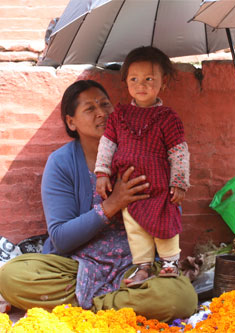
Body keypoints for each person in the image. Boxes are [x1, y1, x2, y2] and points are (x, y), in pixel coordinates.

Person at [0, 79, 197, 322]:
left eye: (105, 105)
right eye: (90, 109)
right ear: (71, 122)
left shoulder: (144, 155)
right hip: (77, 268)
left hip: (135, 269)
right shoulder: (61, 163)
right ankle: (114, 305)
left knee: (181, 298)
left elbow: (168, 213)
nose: (102, 113)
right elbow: (60, 238)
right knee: (11, 276)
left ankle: (89, 305)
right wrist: (113, 204)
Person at [95, 46, 190, 287]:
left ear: (163, 82)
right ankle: (143, 267)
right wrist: (102, 173)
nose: (141, 85)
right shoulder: (119, 116)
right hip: (128, 187)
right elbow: (107, 145)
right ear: (126, 81)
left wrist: (179, 182)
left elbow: (179, 152)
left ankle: (169, 264)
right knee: (135, 228)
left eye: (149, 79)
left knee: (165, 223)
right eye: (134, 79)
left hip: (159, 187)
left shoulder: (168, 118)